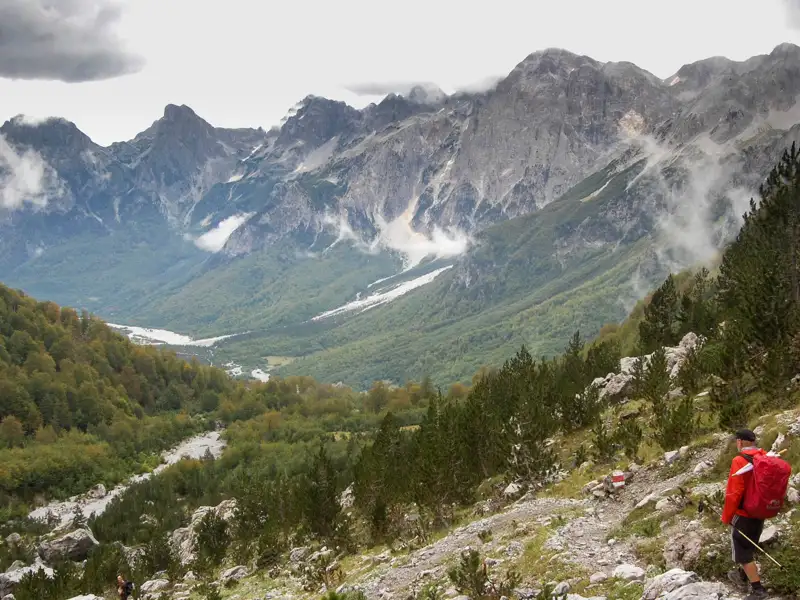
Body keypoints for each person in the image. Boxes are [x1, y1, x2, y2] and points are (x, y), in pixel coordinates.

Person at [722, 429, 768, 600]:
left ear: (740, 442)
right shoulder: (763, 456)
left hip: (744, 513)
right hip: (761, 511)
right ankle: (742, 577)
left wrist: (727, 516)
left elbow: (734, 492)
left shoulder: (739, 460)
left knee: (742, 551)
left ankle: (758, 590)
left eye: (737, 441)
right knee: (750, 545)